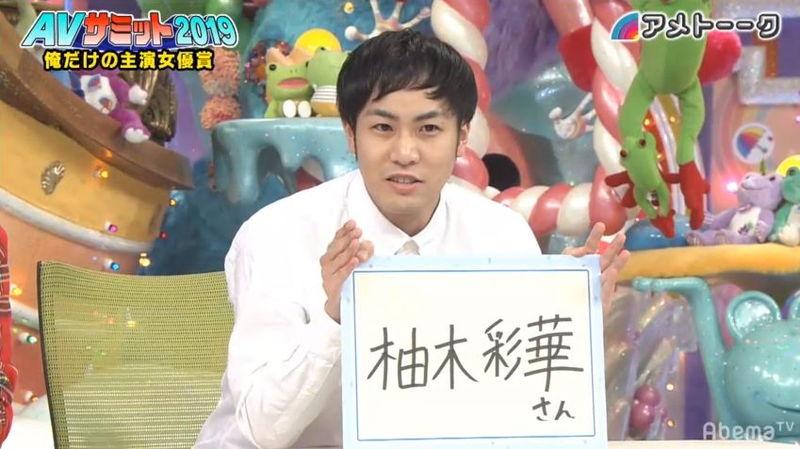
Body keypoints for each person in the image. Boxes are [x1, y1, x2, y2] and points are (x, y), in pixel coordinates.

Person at [193, 29, 629, 449]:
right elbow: (264, 431)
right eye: (383, 128)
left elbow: (519, 413)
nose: (405, 153)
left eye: (429, 129)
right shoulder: (278, 235)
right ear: (351, 134)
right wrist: (334, 317)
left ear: (462, 137)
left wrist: (567, 318)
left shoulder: (501, 236)